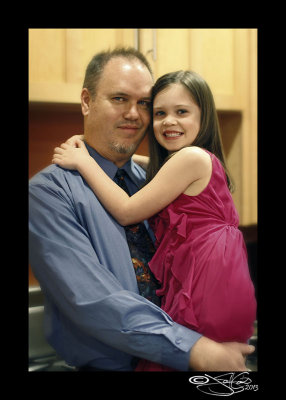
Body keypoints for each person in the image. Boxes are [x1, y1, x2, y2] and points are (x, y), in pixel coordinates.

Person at [30, 47, 255, 372]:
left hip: (193, 342)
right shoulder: (49, 193)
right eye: (120, 98)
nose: (134, 114)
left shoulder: (151, 182)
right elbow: (94, 302)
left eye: (144, 104)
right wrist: (197, 351)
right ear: (86, 101)